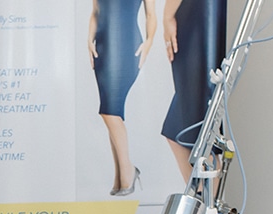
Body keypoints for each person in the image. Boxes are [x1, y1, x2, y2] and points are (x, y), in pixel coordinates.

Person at [88, 0, 156, 196]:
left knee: (110, 111)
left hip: (127, 44)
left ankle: (128, 170)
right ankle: (120, 176)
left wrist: (149, 42)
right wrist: (89, 40)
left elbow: (150, 15)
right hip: (102, 47)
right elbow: (95, 12)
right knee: (112, 110)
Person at [161, 0, 227, 182]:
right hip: (198, 15)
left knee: (198, 130)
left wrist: (167, 16)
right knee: (180, 130)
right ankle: (202, 203)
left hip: (198, 16)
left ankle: (206, 205)